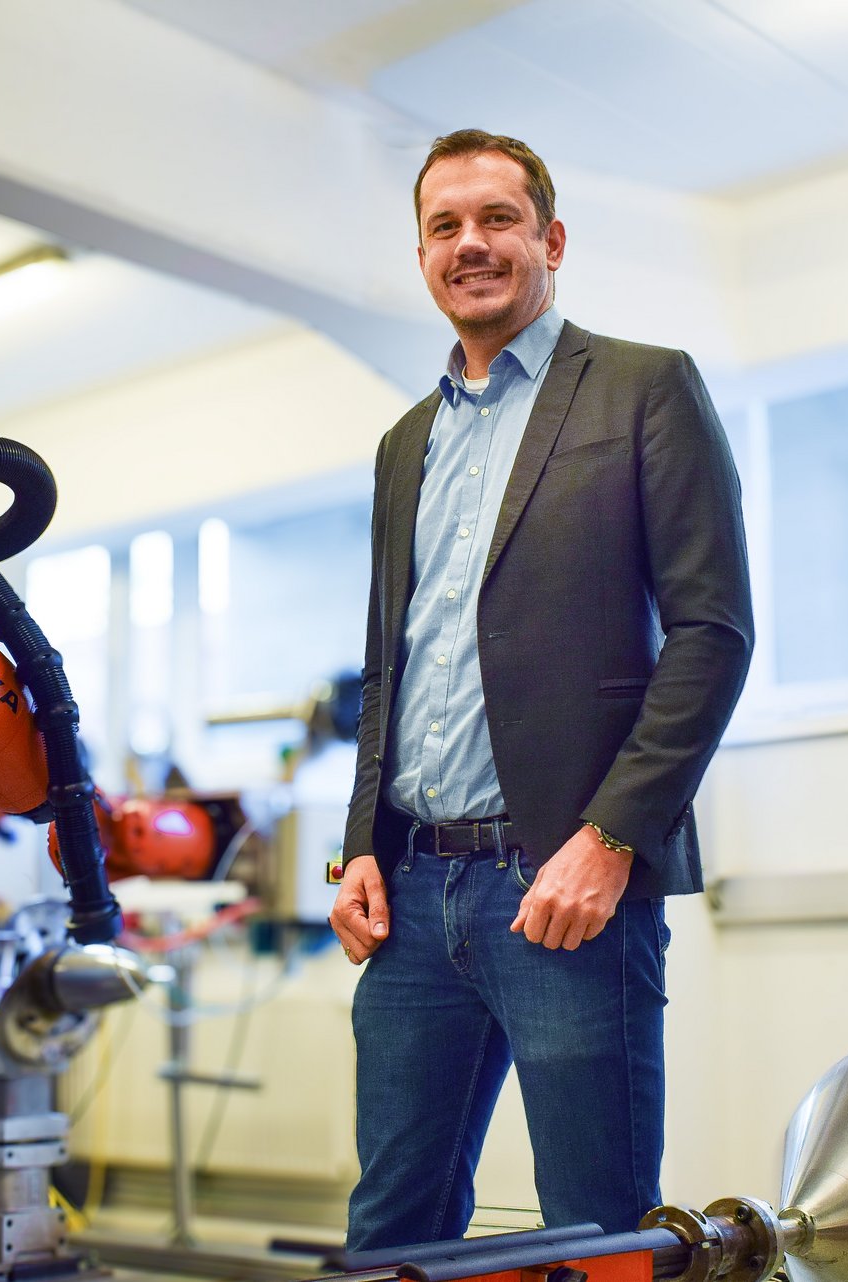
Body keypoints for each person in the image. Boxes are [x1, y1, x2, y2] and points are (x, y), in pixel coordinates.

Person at [328, 128, 755, 1252]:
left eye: (498, 219)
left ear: (550, 239)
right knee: (391, 1229)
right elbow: (392, 661)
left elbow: (712, 633)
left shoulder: (641, 388)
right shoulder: (401, 442)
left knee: (596, 1230)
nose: (472, 243)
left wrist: (611, 837)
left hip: (566, 885)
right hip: (412, 895)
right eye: (444, 226)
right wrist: (359, 843)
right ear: (423, 255)